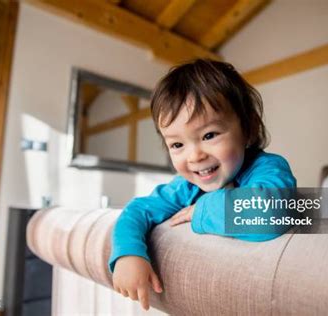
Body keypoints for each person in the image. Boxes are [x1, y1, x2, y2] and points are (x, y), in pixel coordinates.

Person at [109, 59, 296, 310]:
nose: (195, 156)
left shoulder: (267, 168)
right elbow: (137, 211)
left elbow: (270, 213)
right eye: (177, 145)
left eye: (209, 135)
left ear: (248, 129)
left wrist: (202, 210)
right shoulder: (185, 187)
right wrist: (128, 254)